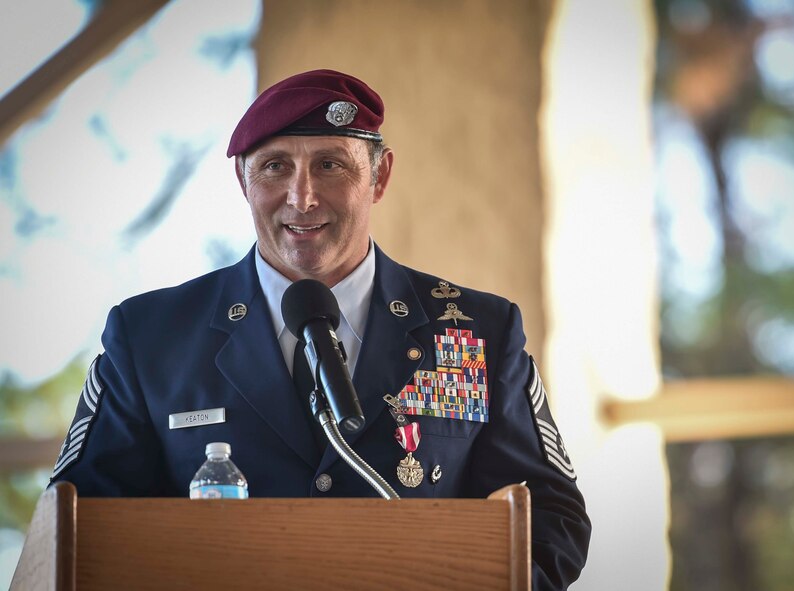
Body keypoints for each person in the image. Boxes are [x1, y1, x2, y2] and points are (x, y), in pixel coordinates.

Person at [50, 69, 591, 589]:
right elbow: (77, 526)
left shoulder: (480, 332)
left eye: (331, 165)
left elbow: (552, 521)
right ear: (242, 180)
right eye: (275, 167)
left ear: (379, 176)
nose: (302, 197)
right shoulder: (151, 338)